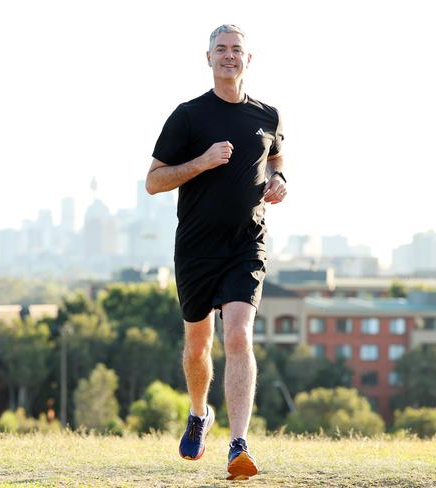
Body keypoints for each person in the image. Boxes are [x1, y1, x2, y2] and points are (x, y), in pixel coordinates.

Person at [145, 24, 287, 480]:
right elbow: (154, 181)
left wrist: (281, 180)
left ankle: (239, 444)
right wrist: (202, 162)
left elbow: (276, 158)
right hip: (196, 249)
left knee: (239, 337)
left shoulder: (268, 115)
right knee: (197, 345)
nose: (229, 56)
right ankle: (199, 412)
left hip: (247, 244)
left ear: (250, 59)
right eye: (221, 50)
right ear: (208, 59)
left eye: (237, 50)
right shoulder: (187, 117)